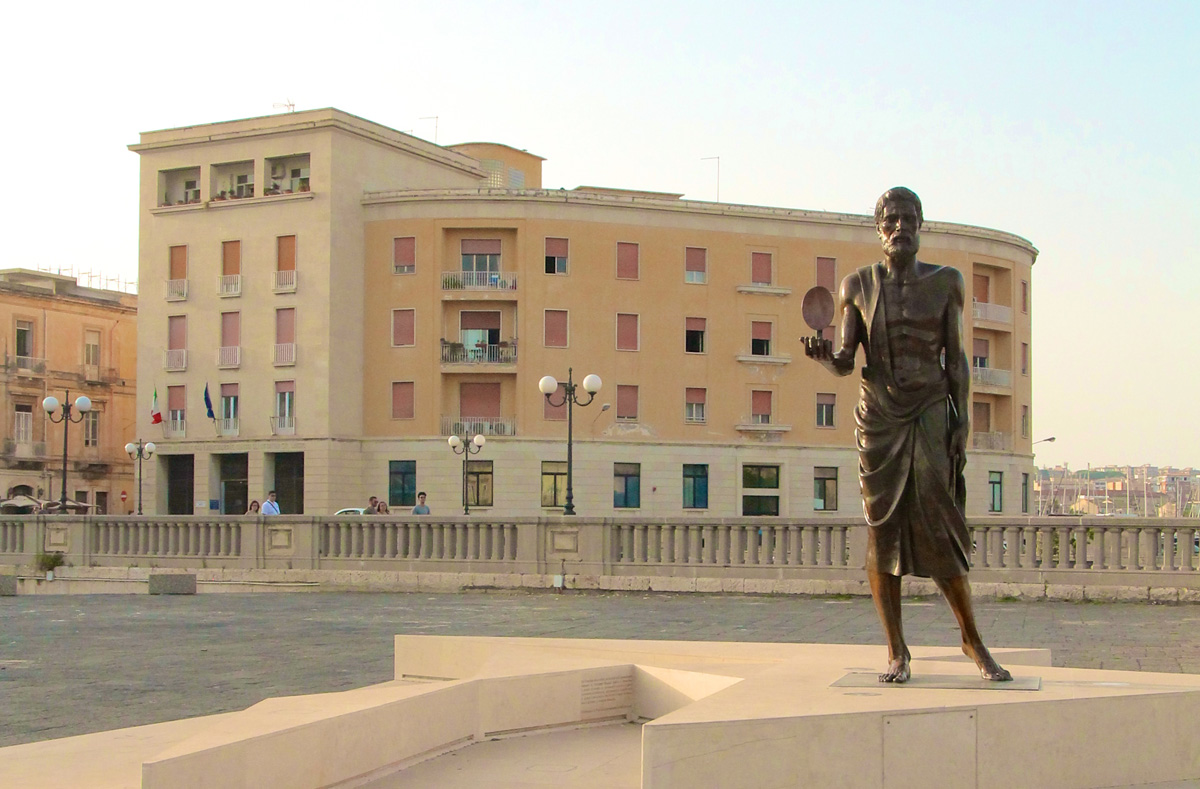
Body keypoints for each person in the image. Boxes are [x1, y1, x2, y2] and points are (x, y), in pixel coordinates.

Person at [804, 187, 1011, 684]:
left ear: (921, 225)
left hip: (931, 409)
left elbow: (956, 357)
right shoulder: (857, 285)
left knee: (940, 526)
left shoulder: (947, 283)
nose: (900, 227)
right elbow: (847, 360)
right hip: (878, 416)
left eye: (908, 218)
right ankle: (897, 650)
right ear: (879, 229)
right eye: (891, 219)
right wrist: (823, 357)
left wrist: (961, 419)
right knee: (882, 529)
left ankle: (971, 640)